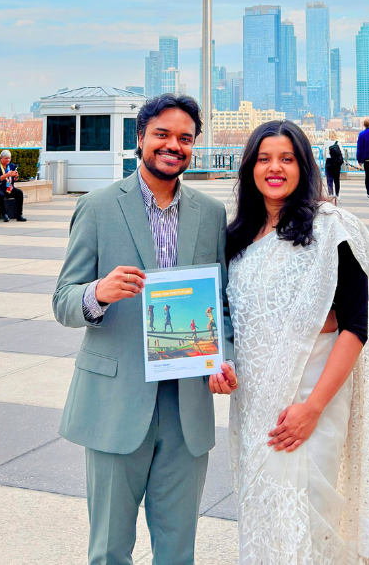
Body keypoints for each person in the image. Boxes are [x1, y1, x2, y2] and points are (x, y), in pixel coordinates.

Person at [53, 93, 237, 565]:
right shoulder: (97, 207)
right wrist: (99, 292)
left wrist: (224, 357)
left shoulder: (211, 214)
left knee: (177, 552)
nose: (173, 145)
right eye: (162, 134)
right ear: (140, 139)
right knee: (110, 551)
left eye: (185, 138)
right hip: (116, 406)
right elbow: (63, 301)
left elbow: (222, 305)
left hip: (186, 410)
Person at [226, 120, 369, 565]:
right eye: (265, 158)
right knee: (263, 516)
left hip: (312, 404)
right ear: (250, 167)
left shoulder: (332, 230)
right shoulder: (235, 238)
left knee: (310, 519)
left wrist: (312, 409)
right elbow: (231, 322)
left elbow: (355, 326)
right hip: (253, 411)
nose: (275, 168)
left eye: (287, 159)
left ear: (304, 166)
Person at [0, 150, 26, 222]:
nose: (7, 160)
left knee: (19, 193)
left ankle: (19, 215)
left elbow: (13, 179)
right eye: (5, 158)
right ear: (1, 158)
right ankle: (4, 214)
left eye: (8, 158)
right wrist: (7, 175)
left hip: (8, 188)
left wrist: (16, 176)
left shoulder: (11, 166)